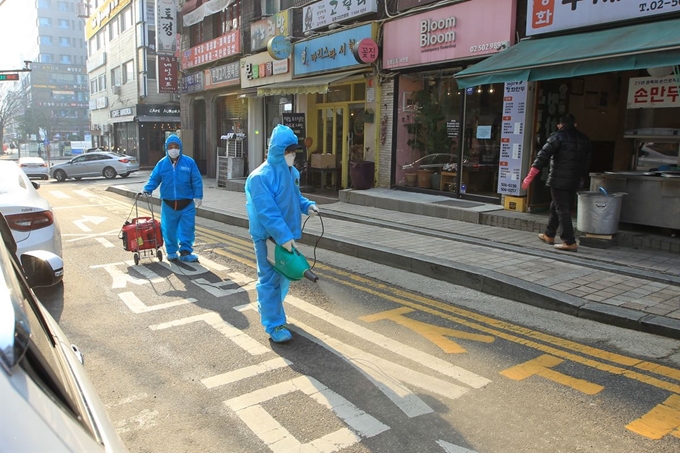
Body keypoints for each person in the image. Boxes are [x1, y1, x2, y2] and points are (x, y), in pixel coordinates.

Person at [245, 125, 319, 343]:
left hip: (286, 236)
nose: (292, 155)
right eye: (288, 151)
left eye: (294, 151)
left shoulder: (291, 172)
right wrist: (283, 237)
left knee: (284, 277)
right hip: (267, 238)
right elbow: (268, 212)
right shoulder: (260, 177)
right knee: (269, 280)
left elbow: (294, 197)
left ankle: (271, 310)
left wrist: (308, 206)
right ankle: (274, 324)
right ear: (277, 150)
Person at [522, 114, 592, 252]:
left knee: (562, 209)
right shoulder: (585, 139)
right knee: (556, 205)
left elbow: (542, 156)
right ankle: (549, 234)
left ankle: (569, 241)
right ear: (575, 124)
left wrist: (530, 177)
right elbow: (587, 162)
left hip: (559, 179)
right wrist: (582, 178)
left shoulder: (557, 136)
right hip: (575, 180)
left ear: (559, 125)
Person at [142, 135, 203, 262]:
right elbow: (154, 178)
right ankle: (171, 251)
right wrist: (147, 189)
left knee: (187, 228)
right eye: (170, 147)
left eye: (176, 146)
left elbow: (196, 180)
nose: (173, 149)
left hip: (186, 203)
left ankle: (185, 251)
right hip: (169, 203)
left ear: (180, 147)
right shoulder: (162, 164)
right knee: (169, 228)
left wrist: (198, 196)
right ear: (166, 148)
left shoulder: (189, 162)